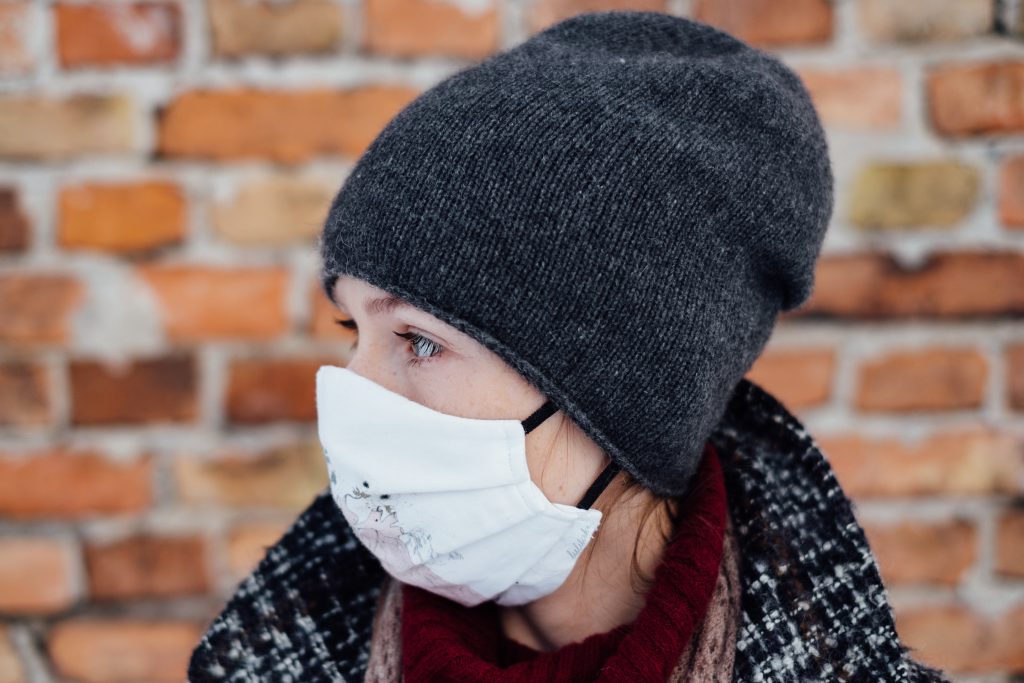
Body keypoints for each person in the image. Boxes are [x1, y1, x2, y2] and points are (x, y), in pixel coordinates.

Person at [188, 10, 951, 682]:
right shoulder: (273, 655)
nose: (354, 396)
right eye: (354, 331)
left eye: (419, 341)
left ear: (623, 397)